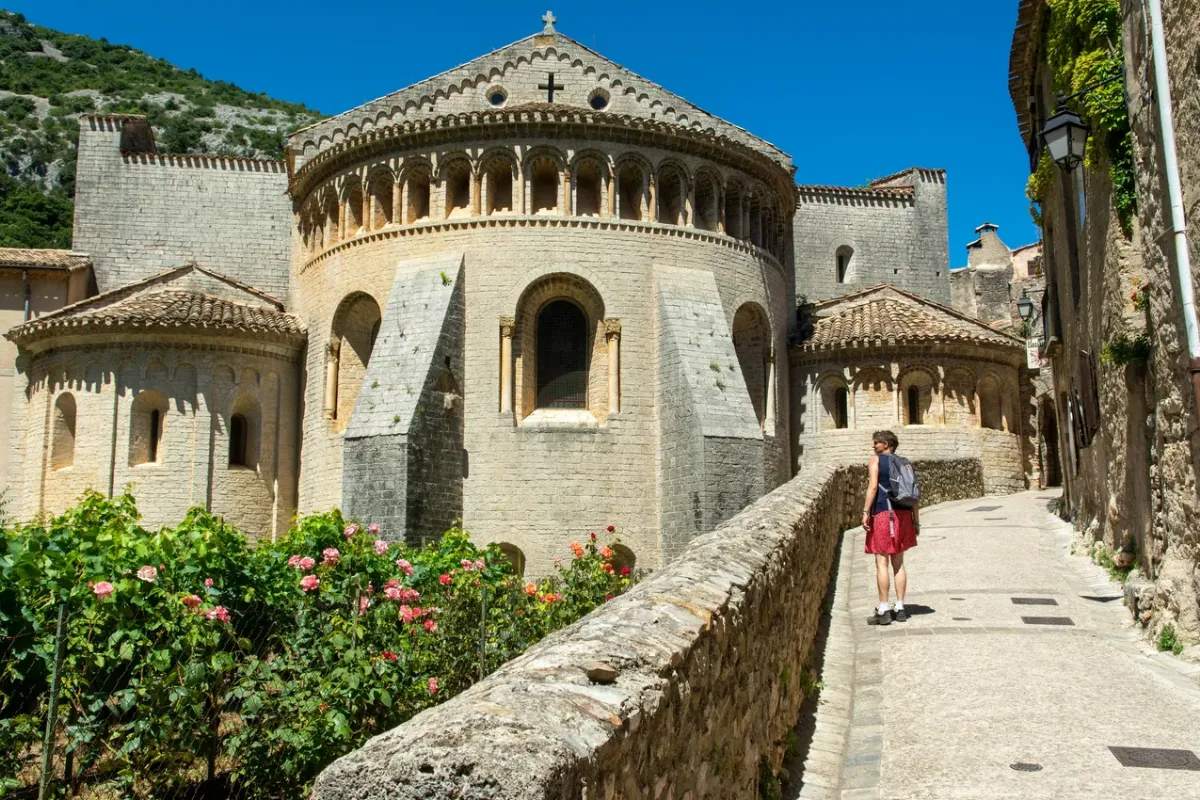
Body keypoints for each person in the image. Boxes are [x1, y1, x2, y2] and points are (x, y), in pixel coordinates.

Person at [862, 430, 919, 625]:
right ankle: (900, 607)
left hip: (883, 514)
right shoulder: (904, 462)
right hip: (903, 515)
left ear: (886, 444)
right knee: (899, 563)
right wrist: (916, 520)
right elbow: (914, 493)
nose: (873, 446)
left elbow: (873, 487)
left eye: (876, 442)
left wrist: (865, 512)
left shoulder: (876, 460)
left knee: (881, 562)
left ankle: (884, 609)